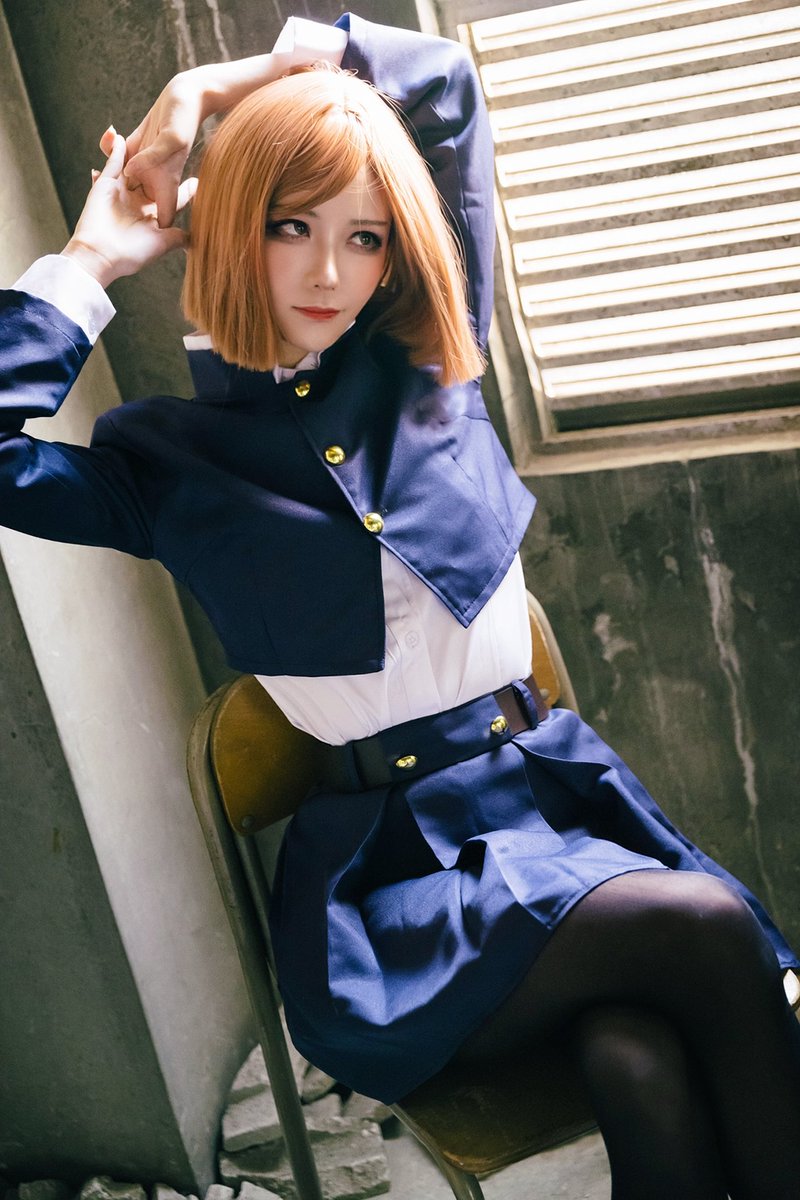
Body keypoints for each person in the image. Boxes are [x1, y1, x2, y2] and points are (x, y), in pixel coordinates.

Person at [3, 13, 800, 1198]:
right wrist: (89, 260)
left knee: (633, 1058)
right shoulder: (163, 464)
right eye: (289, 226)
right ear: (228, 228)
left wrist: (226, 78)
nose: (329, 272)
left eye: (363, 235)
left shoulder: (431, 356)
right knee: (703, 926)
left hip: (558, 819)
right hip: (395, 911)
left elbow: (442, 85)